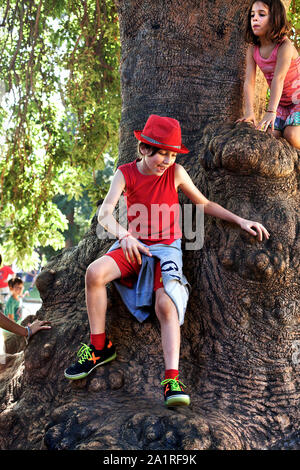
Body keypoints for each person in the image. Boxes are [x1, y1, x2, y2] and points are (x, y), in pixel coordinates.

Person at [64, 114, 270, 407]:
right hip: (134, 245)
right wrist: (124, 236)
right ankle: (99, 347)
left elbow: (204, 203)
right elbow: (105, 214)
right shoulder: (125, 173)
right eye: (162, 153)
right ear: (144, 149)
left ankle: (172, 379)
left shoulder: (176, 174)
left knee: (166, 304)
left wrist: (240, 220)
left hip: (166, 249)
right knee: (94, 273)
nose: (167, 160)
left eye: (172, 154)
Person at [237, 0, 300, 149]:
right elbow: (249, 82)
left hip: (297, 100)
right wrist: (249, 113)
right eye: (252, 15)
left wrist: (270, 111)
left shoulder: (285, 46)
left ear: (275, 19)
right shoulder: (253, 50)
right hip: (281, 104)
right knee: (267, 136)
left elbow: (279, 78)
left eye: (261, 14)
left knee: (291, 135)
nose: (255, 19)